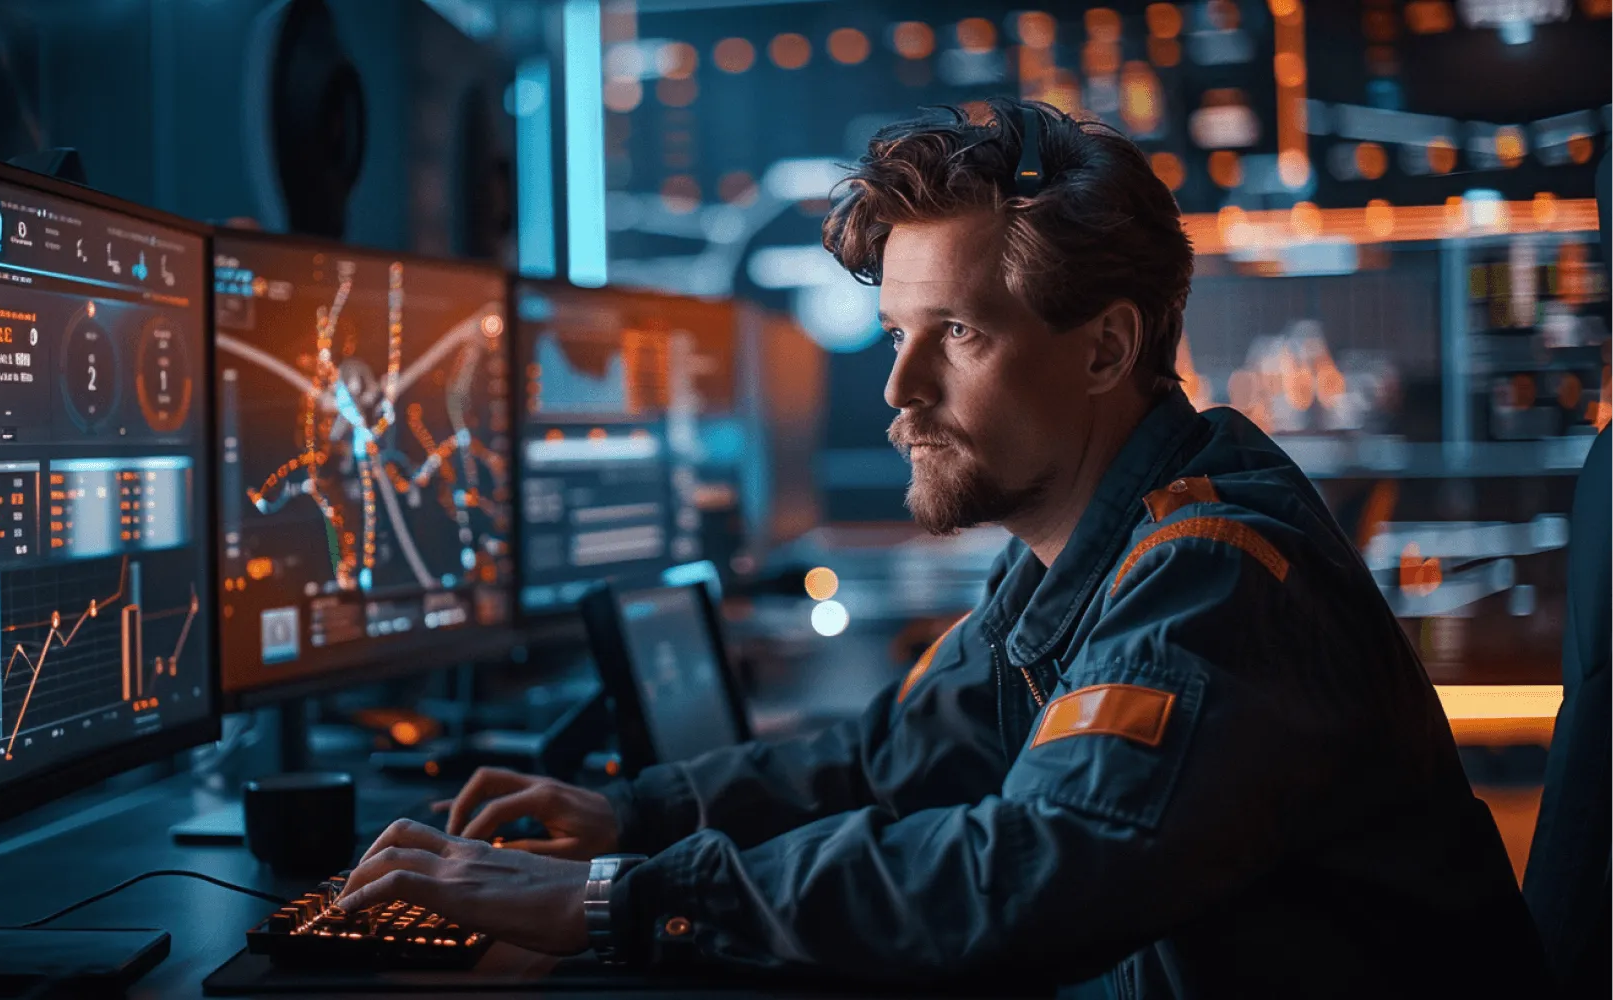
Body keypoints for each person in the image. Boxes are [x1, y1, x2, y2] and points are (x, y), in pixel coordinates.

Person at [336, 99, 1549, 997]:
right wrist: (624, 815)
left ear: (1104, 351)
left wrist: (612, 904)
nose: (898, 390)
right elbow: (894, 760)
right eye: (895, 333)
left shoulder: (1211, 575)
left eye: (957, 332)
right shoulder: (1086, 546)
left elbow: (1022, 876)